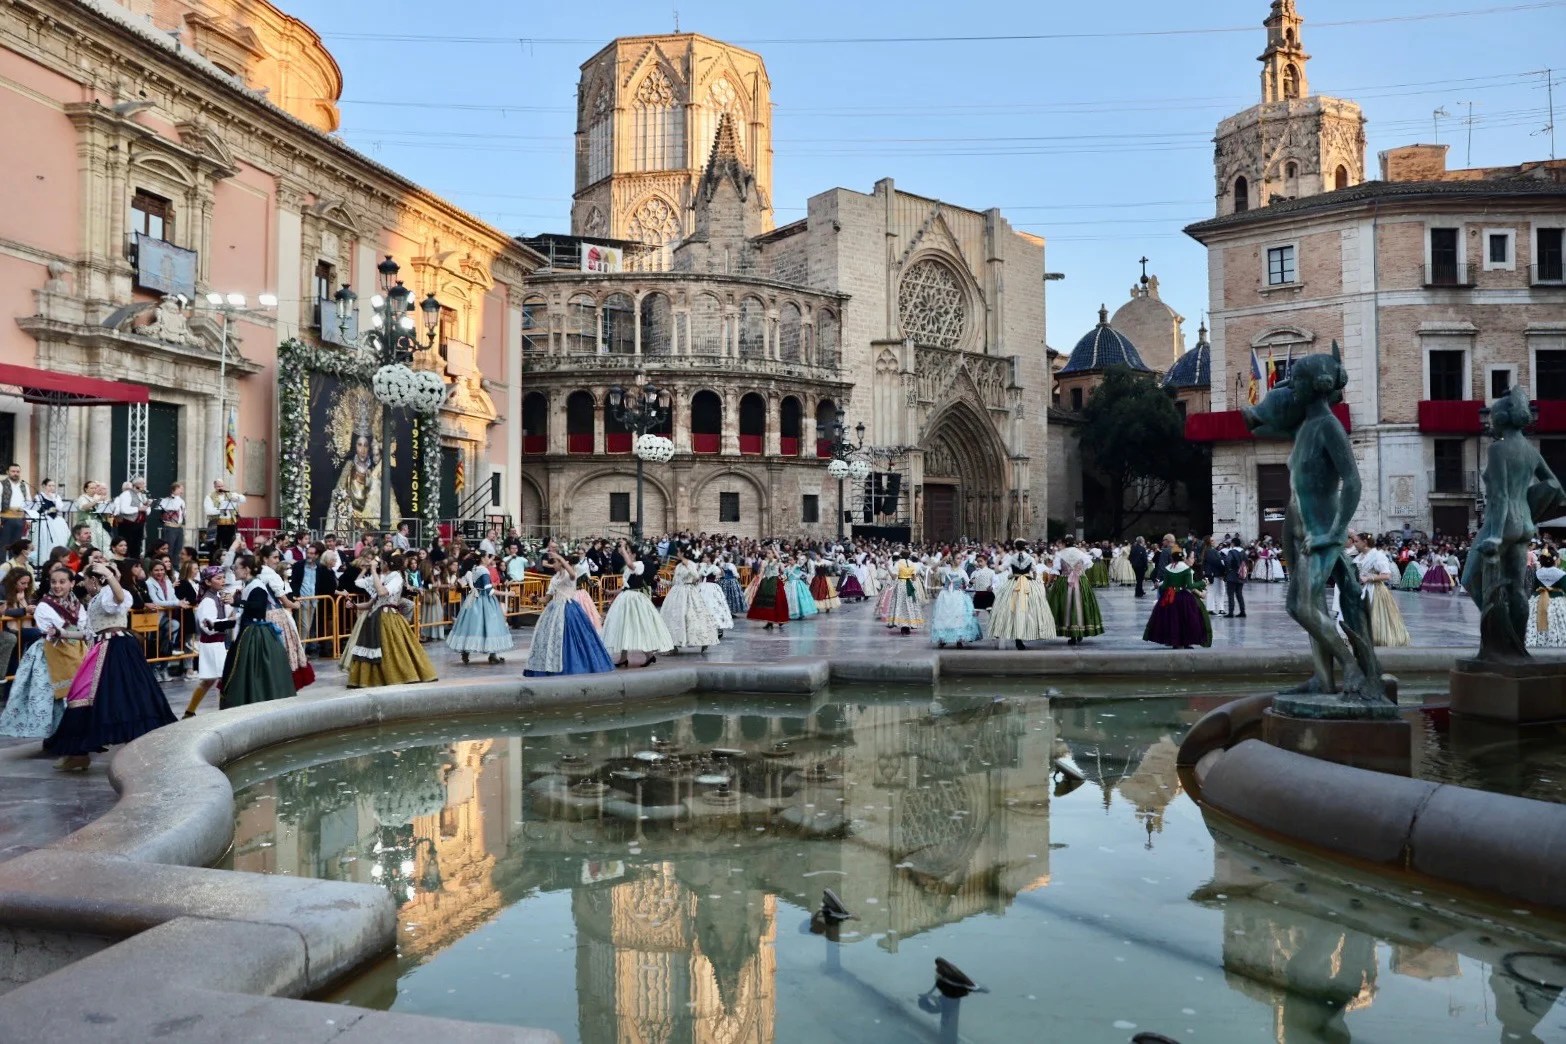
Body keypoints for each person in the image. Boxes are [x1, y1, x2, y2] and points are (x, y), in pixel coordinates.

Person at [44, 560, 176, 770]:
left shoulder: (109, 593)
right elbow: (90, 633)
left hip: (116, 648)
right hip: (105, 647)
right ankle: (78, 753)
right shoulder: (96, 600)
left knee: (117, 695)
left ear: (93, 580)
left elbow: (120, 597)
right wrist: (62, 633)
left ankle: (85, 752)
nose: (84, 584)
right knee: (88, 695)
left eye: (85, 580)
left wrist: (109, 574)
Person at [0, 566, 86, 739]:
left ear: (72, 583)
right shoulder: (44, 605)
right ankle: (55, 736)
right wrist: (72, 631)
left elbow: (82, 625)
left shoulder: (77, 604)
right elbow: (55, 629)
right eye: (54, 582)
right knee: (50, 696)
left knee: (78, 692)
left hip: (76, 650)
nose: (57, 586)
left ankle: (74, 733)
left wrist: (73, 631)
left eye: (62, 582)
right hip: (49, 653)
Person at [341, 552, 437, 688]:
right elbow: (371, 603)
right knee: (376, 650)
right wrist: (355, 606)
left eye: (381, 562)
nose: (379, 564)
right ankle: (375, 678)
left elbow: (382, 592)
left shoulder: (396, 577)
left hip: (389, 618)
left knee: (393, 649)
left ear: (387, 564)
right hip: (374, 617)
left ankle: (399, 675)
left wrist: (373, 571)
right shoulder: (384, 578)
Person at [216, 554, 296, 708]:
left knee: (252, 670)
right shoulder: (248, 584)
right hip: (247, 631)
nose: (234, 571)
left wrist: (237, 602)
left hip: (255, 634)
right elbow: (245, 612)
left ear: (246, 570)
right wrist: (219, 625)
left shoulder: (257, 586)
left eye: (236, 568)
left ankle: (254, 699)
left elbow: (258, 608)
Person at [524, 550, 614, 677]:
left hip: (569, 609)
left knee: (571, 636)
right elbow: (546, 599)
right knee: (553, 639)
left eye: (554, 562)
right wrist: (536, 599)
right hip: (554, 610)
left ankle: (575, 664)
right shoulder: (554, 578)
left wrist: (560, 557)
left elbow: (573, 574)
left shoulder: (568, 575)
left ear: (561, 563)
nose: (553, 565)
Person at [601, 539, 674, 667]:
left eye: (629, 552)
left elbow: (631, 566)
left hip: (635, 600)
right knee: (624, 627)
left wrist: (623, 550)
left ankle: (649, 655)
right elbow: (625, 587)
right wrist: (610, 591)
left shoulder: (639, 564)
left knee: (638, 627)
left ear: (634, 554)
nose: (627, 554)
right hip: (626, 598)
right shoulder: (629, 568)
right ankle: (624, 658)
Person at [181, 566, 237, 717]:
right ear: (207, 581)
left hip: (216, 643)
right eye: (218, 578)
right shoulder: (207, 601)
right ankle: (224, 713)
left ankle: (189, 711)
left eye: (223, 578)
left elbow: (227, 615)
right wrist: (231, 620)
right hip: (212, 643)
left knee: (209, 681)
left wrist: (232, 604)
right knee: (224, 679)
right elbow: (209, 626)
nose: (222, 581)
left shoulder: (217, 597)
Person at [446, 552, 512, 665]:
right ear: (482, 558)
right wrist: (507, 594)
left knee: (471, 626)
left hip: (473, 599)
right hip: (485, 601)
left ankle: (466, 651)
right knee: (491, 625)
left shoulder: (475, 568)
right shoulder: (484, 571)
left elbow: (470, 582)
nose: (490, 559)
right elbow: (489, 590)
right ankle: (492, 655)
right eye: (488, 557)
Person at [989, 540, 1056, 650]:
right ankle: (1026, 632)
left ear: (1015, 547)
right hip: (1027, 584)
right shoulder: (1030, 558)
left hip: (1013, 584)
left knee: (1012, 610)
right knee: (1030, 609)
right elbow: (1034, 572)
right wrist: (1033, 579)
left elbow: (998, 570)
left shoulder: (1011, 557)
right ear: (1025, 547)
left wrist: (997, 561)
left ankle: (1017, 636)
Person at [1143, 551, 1212, 650]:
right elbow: (1190, 585)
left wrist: (1162, 586)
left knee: (1173, 620)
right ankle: (1186, 642)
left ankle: (1175, 642)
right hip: (1184, 598)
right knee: (1186, 620)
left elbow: (1165, 585)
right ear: (1183, 558)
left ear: (1172, 559)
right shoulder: (1186, 569)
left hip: (1171, 597)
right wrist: (1202, 582)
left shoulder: (1168, 568)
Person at [659, 545, 719, 653]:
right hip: (676, 594)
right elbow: (674, 583)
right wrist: (660, 580)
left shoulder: (690, 564)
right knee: (674, 618)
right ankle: (673, 645)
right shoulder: (678, 566)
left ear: (683, 553)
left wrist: (688, 566)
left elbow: (696, 577)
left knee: (693, 617)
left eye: (678, 552)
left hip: (689, 593)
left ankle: (703, 641)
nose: (677, 554)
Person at [1354, 533, 1409, 647]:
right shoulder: (1359, 557)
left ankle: (1377, 638)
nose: (1355, 544)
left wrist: (1369, 578)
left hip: (1375, 590)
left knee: (1376, 616)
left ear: (1365, 542)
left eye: (1357, 541)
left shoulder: (1377, 555)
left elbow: (1387, 575)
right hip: (1361, 590)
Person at [1049, 537, 1104, 646]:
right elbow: (1088, 565)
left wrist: (1050, 582)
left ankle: (1071, 634)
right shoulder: (1081, 553)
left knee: (1065, 606)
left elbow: (1056, 569)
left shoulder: (1060, 554)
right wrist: (1078, 570)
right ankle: (1080, 631)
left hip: (1065, 581)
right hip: (1081, 581)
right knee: (1082, 605)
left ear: (1064, 543)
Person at [929, 563, 980, 648]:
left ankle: (958, 639)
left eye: (960, 558)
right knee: (944, 617)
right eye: (957, 558)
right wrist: (943, 560)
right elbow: (933, 568)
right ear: (952, 559)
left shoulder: (962, 571)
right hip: (946, 595)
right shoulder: (946, 569)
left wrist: (971, 582)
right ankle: (943, 638)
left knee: (958, 618)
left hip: (957, 595)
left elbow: (968, 585)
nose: (959, 561)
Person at [1526, 552, 1566, 648]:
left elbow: (1534, 587)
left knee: (1533, 620)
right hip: (1556, 600)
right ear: (1555, 560)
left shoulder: (1537, 573)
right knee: (1556, 621)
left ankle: (1535, 640)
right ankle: (1555, 640)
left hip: (1537, 599)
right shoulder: (1561, 574)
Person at [27, 479, 69, 567]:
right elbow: (36, 509)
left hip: (56, 520)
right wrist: (47, 511)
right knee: (44, 541)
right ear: (44, 486)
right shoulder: (39, 497)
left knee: (58, 539)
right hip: (44, 520)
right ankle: (43, 561)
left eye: (53, 486)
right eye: (49, 486)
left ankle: (58, 559)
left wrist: (54, 499)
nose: (51, 488)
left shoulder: (56, 496)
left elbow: (60, 507)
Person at [746, 548, 790, 631]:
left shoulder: (776, 561)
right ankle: (769, 622)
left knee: (777, 602)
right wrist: (759, 581)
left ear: (773, 554)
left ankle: (779, 619)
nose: (768, 554)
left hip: (775, 581)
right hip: (767, 581)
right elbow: (762, 571)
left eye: (769, 553)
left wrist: (774, 549)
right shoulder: (764, 562)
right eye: (767, 553)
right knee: (767, 603)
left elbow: (779, 559)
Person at [111, 477, 150, 560]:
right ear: (137, 485)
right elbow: (124, 509)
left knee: (137, 547)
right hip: (128, 525)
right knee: (127, 546)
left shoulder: (142, 495)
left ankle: (135, 563)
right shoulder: (127, 494)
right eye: (143, 483)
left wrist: (147, 506)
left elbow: (148, 511)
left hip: (139, 525)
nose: (144, 485)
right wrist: (138, 509)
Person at [886, 551, 925, 636]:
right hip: (910, 585)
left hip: (901, 585)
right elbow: (914, 578)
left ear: (901, 556)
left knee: (900, 604)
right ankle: (908, 625)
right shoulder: (912, 564)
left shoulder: (898, 563)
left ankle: (903, 626)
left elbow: (893, 576)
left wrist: (888, 568)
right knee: (909, 604)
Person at [203, 480, 245, 550]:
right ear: (215, 487)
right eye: (218, 486)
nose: (220, 488)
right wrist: (221, 510)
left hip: (230, 523)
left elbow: (243, 499)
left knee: (230, 544)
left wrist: (237, 498)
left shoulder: (230, 494)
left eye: (222, 486)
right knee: (215, 545)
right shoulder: (209, 497)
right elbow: (208, 511)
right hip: (216, 523)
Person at [0, 464, 31, 550]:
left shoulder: (24, 485)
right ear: (8, 472)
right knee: (3, 544)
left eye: (17, 472)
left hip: (20, 519)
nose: (15, 473)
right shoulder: (1, 484)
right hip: (6, 519)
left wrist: (28, 519)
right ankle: (2, 563)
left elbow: (28, 503)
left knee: (17, 545)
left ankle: (14, 563)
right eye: (13, 471)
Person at [156, 481, 187, 563]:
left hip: (179, 527)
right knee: (169, 549)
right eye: (180, 488)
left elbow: (183, 513)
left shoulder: (181, 500)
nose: (182, 490)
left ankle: (176, 568)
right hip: (170, 527)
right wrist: (176, 497)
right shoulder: (167, 500)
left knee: (178, 549)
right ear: (175, 489)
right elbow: (174, 507)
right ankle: (168, 567)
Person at [1223, 537, 1248, 619]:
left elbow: (1227, 561)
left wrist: (1228, 570)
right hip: (1241, 575)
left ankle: (1231, 612)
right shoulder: (1243, 552)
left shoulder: (1231, 551)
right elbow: (1246, 562)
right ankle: (1242, 611)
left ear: (1233, 543)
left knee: (1230, 594)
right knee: (1239, 594)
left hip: (1232, 575)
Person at [1201, 537, 1227, 617]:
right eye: (1212, 540)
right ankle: (1215, 609)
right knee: (1217, 591)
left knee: (1215, 591)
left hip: (1213, 574)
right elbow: (1217, 562)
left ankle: (1215, 609)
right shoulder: (1211, 551)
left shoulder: (1208, 551)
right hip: (1215, 574)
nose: (1214, 541)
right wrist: (1224, 570)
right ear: (1209, 542)